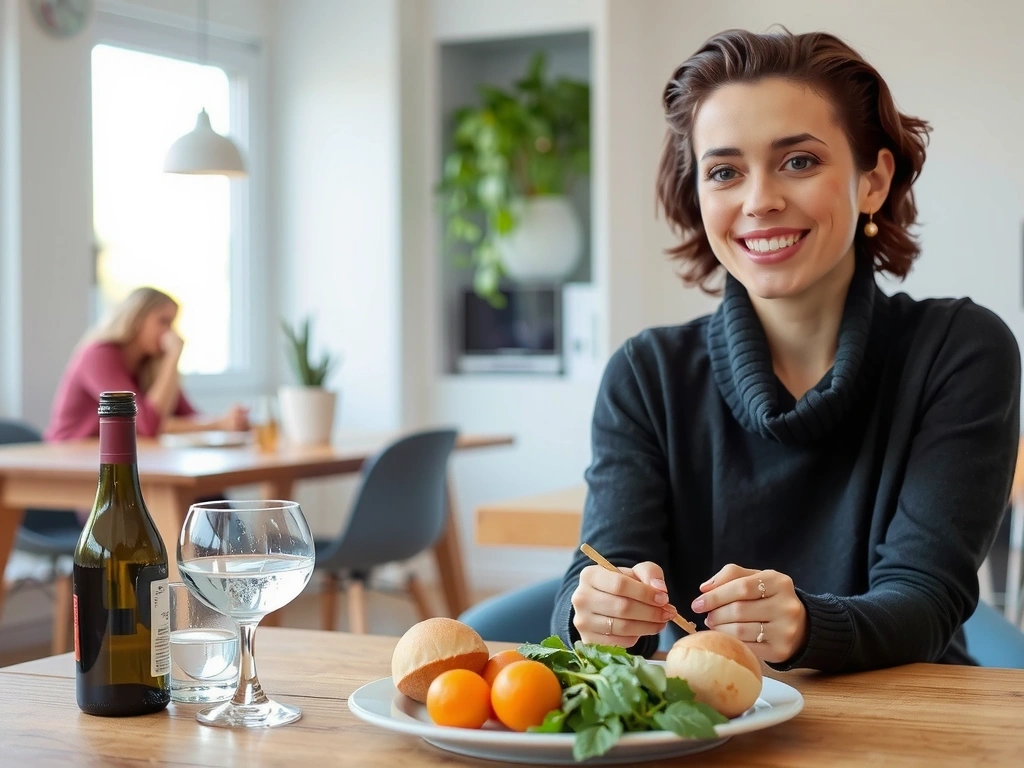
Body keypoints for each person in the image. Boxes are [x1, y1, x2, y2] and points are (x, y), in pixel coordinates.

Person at [553, 28, 1021, 673]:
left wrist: (808, 625)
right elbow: (603, 580)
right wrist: (596, 613)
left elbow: (927, 597)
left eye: (799, 161)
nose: (759, 201)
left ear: (873, 181)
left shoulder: (960, 352)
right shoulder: (646, 375)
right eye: (724, 172)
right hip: (712, 727)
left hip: (909, 727)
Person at [45, 287, 249, 441]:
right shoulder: (99, 355)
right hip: (71, 462)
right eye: (163, 321)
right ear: (136, 318)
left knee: (208, 489)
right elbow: (146, 424)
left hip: (119, 461)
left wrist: (227, 421)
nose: (170, 333)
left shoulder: (150, 365)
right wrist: (173, 357)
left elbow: (189, 416)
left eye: (172, 323)